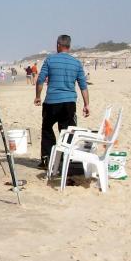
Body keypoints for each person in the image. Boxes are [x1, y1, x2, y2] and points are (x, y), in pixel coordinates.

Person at [34, 34, 90, 168]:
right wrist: (86, 104)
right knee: (66, 130)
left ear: (58, 45)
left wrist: (37, 96)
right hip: (69, 103)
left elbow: (40, 80)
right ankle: (66, 159)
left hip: (52, 102)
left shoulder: (50, 60)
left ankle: (47, 159)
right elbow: (83, 86)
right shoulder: (76, 63)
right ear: (69, 47)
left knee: (47, 128)